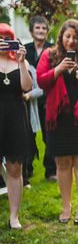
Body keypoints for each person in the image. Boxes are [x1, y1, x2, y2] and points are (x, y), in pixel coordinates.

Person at [36, 19, 78, 225]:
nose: (71, 41)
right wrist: (58, 69)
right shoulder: (50, 56)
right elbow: (41, 80)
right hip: (58, 119)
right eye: (67, 36)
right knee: (62, 164)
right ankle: (66, 207)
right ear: (61, 37)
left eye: (75, 37)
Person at [0, 24, 33, 229]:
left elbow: (27, 87)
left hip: (15, 118)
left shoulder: (21, 61)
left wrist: (21, 62)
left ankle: (14, 216)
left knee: (14, 168)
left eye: (7, 37)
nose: (3, 41)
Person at [24, 16, 55, 181]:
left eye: (44, 28)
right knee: (28, 136)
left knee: (48, 135)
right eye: (37, 28)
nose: (41, 31)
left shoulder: (53, 50)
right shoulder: (24, 50)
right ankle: (27, 169)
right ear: (31, 31)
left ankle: (51, 171)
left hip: (48, 100)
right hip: (27, 100)